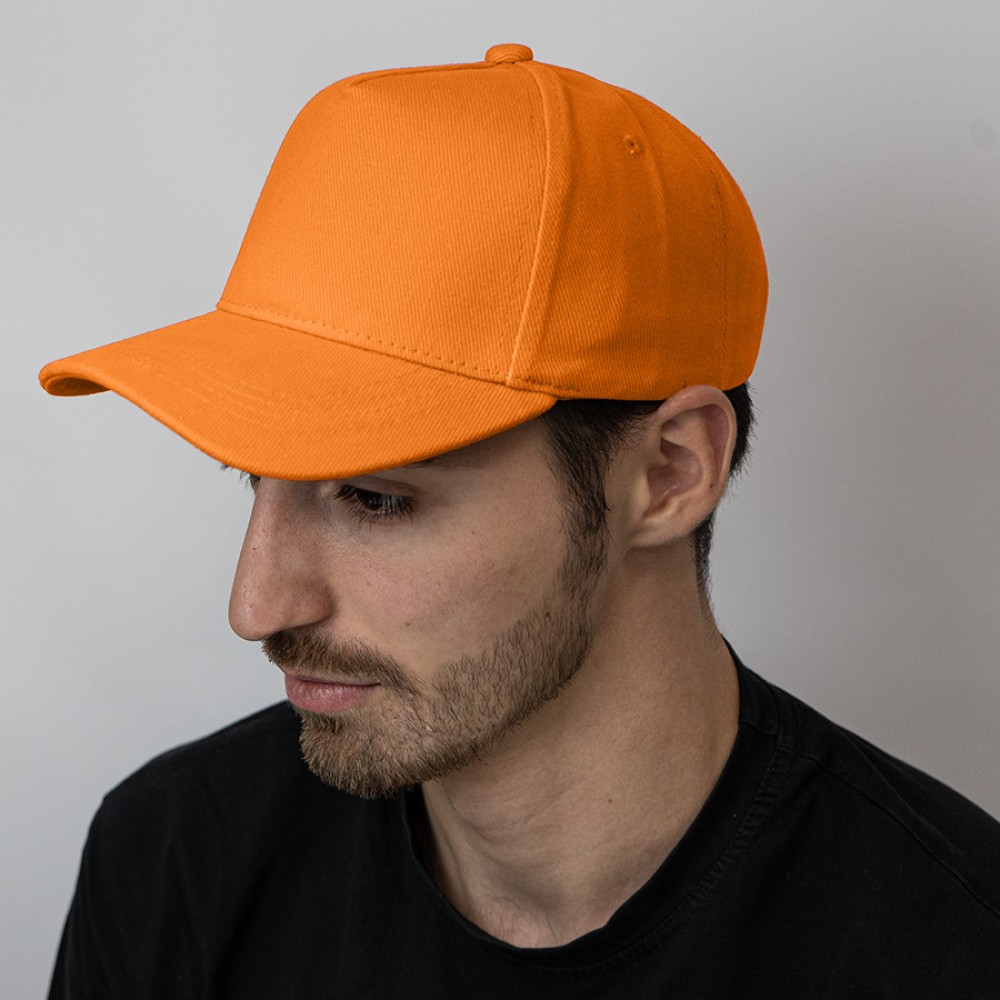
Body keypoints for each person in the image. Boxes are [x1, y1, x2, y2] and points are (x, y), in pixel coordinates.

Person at [39, 43, 1000, 998]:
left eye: (375, 498)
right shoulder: (176, 859)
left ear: (670, 473)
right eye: (256, 478)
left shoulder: (949, 945)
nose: (256, 607)